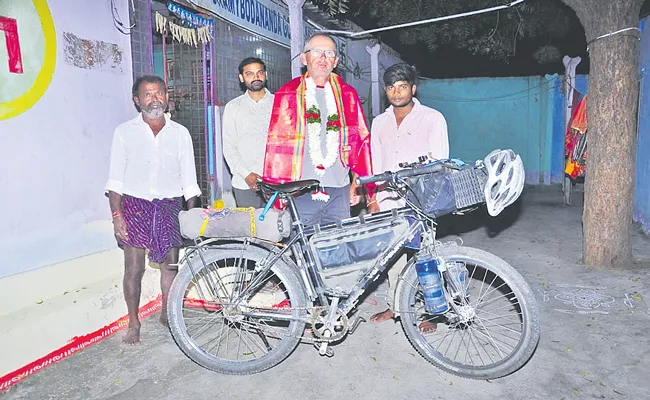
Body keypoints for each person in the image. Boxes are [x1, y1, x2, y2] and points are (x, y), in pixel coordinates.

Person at [105, 75, 201, 344]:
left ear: (167, 97)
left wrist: (189, 217)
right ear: (137, 101)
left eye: (159, 93)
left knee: (170, 267)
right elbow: (115, 180)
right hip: (134, 206)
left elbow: (190, 182)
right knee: (134, 270)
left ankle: (167, 314)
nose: (154, 98)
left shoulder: (180, 134)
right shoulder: (124, 132)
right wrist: (117, 216)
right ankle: (134, 323)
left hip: (170, 207)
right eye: (148, 94)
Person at [262, 33, 376, 225]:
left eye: (329, 52)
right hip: (301, 191)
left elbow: (361, 143)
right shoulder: (287, 93)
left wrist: (358, 184)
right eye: (316, 51)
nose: (323, 58)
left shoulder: (348, 95)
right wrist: (275, 187)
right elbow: (277, 145)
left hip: (339, 191)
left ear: (336, 61)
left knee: (338, 249)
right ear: (304, 58)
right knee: (302, 250)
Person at [368, 63, 449, 332]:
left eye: (403, 87)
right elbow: (376, 165)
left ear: (413, 89)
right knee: (392, 256)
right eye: (391, 87)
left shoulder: (432, 118)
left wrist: (432, 197)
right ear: (385, 90)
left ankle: (432, 311)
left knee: (425, 254)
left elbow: (440, 162)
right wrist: (373, 198)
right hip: (388, 198)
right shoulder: (379, 122)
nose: (397, 92)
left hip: (422, 198)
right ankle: (396, 305)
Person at [223, 57, 274, 208]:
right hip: (243, 182)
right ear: (241, 78)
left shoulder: (279, 103)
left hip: (276, 183)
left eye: (259, 72)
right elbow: (229, 147)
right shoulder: (233, 107)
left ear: (266, 75)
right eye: (249, 74)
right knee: (250, 229)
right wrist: (246, 174)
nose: (256, 77)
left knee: (277, 228)